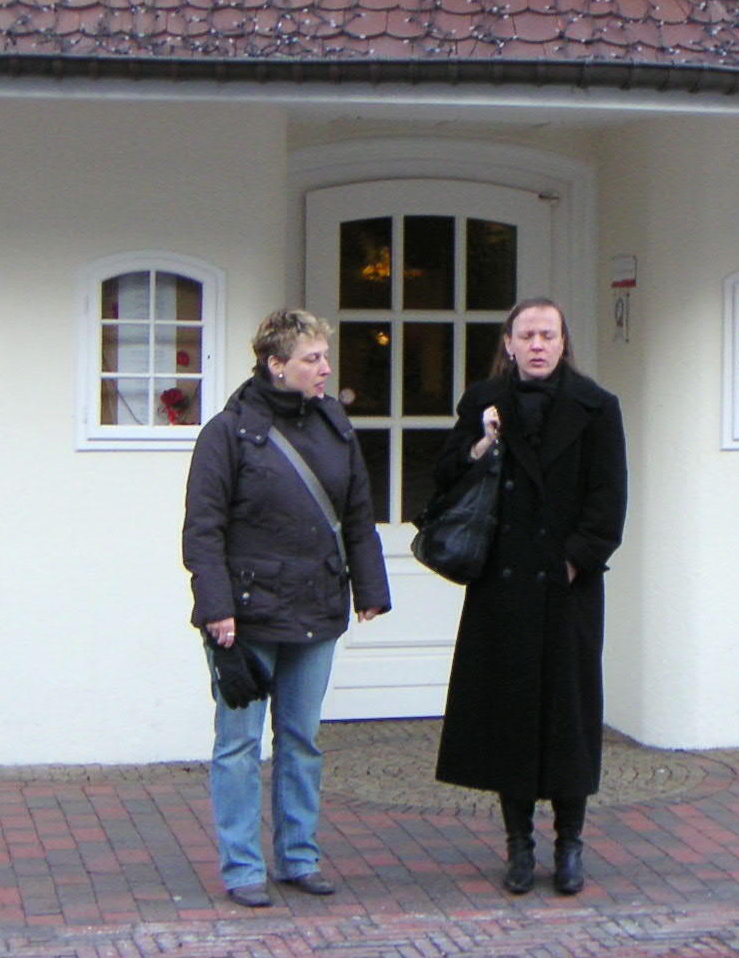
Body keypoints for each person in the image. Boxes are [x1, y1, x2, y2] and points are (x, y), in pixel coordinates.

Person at [182, 309, 391, 909]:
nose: (325, 368)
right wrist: (216, 608)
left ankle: (298, 857)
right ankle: (242, 867)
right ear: (277, 365)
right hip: (244, 617)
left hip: (317, 606)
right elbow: (203, 528)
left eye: (325, 357)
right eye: (312, 359)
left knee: (301, 740)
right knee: (239, 744)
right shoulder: (227, 432)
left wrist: (370, 588)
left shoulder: (334, 425)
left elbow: (356, 513)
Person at [430, 297, 628, 896]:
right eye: (527, 335)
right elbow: (443, 477)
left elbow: (609, 500)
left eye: (548, 334)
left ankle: (570, 844)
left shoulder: (597, 407)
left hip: (566, 589)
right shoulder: (482, 402)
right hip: (503, 587)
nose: (538, 344)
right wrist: (483, 443)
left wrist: (573, 560)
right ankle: (518, 846)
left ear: (564, 342)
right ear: (509, 343)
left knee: (568, 718)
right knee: (509, 719)